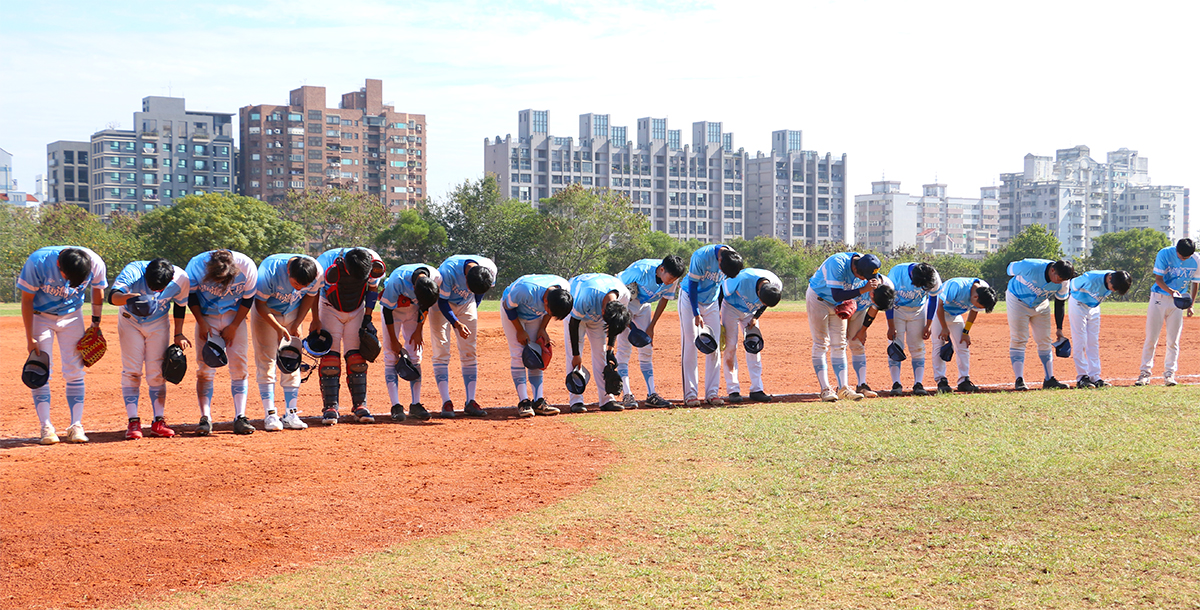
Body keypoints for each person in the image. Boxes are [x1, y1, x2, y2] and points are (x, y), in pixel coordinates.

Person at [19, 246, 107, 444]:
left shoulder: (95, 263)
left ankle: (76, 425)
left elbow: (98, 290)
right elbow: (26, 300)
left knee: (75, 370)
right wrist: (29, 338)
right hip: (40, 316)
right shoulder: (38, 262)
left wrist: (95, 324)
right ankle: (46, 427)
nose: (69, 284)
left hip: (72, 316)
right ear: (58, 264)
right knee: (40, 369)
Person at [110, 258, 190, 440]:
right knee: (132, 370)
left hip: (158, 323)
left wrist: (179, 334)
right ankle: (133, 422)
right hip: (130, 321)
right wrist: (127, 298)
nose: (155, 291)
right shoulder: (134, 271)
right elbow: (112, 296)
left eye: (159, 288)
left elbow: (180, 305)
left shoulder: (181, 279)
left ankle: (158, 421)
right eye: (152, 286)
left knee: (157, 372)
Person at [185, 249, 259, 435]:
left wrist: (234, 326)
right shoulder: (196, 265)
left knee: (240, 367)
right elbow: (191, 296)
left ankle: (240, 417)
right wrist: (201, 322)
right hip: (206, 317)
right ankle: (205, 418)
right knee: (204, 368)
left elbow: (248, 299)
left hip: (235, 317)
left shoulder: (247, 266)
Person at [314, 247, 386, 425]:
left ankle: (360, 405)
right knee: (330, 358)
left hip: (357, 309)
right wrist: (315, 319)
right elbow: (314, 292)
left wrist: (368, 318)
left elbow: (372, 289)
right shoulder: (324, 263)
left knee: (357, 358)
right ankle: (330, 407)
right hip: (329, 307)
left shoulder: (374, 261)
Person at [251, 253, 321, 431]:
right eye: (296, 284)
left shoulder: (316, 272)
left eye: (303, 286)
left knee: (292, 361)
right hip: (267, 313)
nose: (299, 288)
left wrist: (297, 323)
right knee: (267, 361)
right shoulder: (269, 271)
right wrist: (277, 327)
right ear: (289, 272)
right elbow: (260, 304)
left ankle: (291, 413)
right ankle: (270, 414)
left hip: (293, 313)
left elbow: (310, 296)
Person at [806, 252, 882, 402]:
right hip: (819, 299)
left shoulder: (867, 262)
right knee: (821, 343)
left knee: (840, 345)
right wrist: (862, 290)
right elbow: (836, 295)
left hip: (839, 303)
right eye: (863, 277)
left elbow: (875, 279)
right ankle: (825, 389)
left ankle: (843, 388)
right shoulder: (837, 263)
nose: (865, 280)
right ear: (855, 269)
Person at [431, 254, 497, 418]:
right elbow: (442, 302)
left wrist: (473, 306)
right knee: (441, 351)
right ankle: (446, 402)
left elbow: (480, 292)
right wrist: (456, 323)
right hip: (442, 304)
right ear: (466, 278)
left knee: (469, 350)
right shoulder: (448, 271)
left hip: (467, 304)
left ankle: (470, 401)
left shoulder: (489, 269)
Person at [615, 256, 685, 409]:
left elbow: (665, 299)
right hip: (625, 305)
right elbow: (616, 287)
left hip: (644, 306)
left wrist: (651, 326)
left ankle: (651, 394)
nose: (672, 281)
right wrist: (626, 322)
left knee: (646, 348)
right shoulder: (640, 270)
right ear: (661, 270)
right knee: (624, 349)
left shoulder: (672, 278)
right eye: (671, 277)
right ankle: (627, 394)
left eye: (675, 278)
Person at [679, 244, 744, 407]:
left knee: (714, 347)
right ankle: (690, 394)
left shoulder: (731, 259)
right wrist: (696, 313)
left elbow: (721, 288)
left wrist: (719, 312)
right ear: (719, 259)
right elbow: (693, 285)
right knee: (691, 343)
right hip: (690, 299)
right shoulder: (701, 257)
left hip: (711, 302)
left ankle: (712, 393)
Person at [501, 274, 573, 417]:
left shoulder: (563, 289)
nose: (548, 313)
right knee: (518, 354)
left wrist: (542, 328)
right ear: (545, 300)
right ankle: (524, 402)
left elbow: (549, 312)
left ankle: (538, 401)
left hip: (533, 317)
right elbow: (508, 307)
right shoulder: (525, 291)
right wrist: (520, 330)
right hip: (513, 314)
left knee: (536, 354)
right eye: (548, 309)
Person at [380, 263, 442, 421]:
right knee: (391, 356)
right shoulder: (397, 281)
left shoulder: (435, 277)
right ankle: (396, 405)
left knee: (415, 355)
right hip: (393, 311)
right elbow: (387, 310)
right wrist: (394, 341)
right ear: (413, 288)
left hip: (414, 312)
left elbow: (426, 305)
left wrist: (419, 329)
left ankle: (415, 404)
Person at [1136, 238, 1200, 386]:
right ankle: (1144, 374)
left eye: (1186, 257)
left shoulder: (1197, 260)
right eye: (1181, 256)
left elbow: (1195, 283)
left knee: (1173, 340)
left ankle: (1170, 374)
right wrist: (1172, 292)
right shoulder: (1164, 253)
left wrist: (1191, 303)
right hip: (1159, 298)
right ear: (1176, 249)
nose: (1182, 259)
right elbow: (1158, 279)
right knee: (1151, 338)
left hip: (1178, 302)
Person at [565, 273, 632, 413]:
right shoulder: (586, 296)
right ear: (602, 311)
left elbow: (615, 323)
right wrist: (577, 355)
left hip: (595, 309)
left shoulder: (624, 296)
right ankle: (576, 400)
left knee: (602, 355)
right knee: (573, 357)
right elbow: (574, 323)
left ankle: (607, 399)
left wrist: (610, 349)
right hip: (576, 315)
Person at [1006, 258, 1075, 390]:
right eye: (1059, 278)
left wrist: (1059, 329)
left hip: (1041, 304)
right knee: (1019, 338)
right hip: (1017, 300)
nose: (1060, 282)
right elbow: (1009, 268)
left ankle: (1049, 379)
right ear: (1052, 270)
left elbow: (1060, 302)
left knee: (1045, 339)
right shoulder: (1030, 266)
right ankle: (1019, 379)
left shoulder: (1064, 282)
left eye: (1063, 280)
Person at [718, 267, 784, 403]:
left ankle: (756, 389)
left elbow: (765, 303)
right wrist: (717, 317)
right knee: (731, 348)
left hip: (750, 313)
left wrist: (756, 316)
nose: (763, 304)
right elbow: (721, 292)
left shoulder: (776, 284)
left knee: (754, 346)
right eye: (762, 301)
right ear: (758, 292)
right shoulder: (741, 278)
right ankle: (733, 390)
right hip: (731, 308)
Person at [884, 262, 941, 396]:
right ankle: (896, 383)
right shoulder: (896, 273)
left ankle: (918, 384)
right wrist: (891, 326)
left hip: (918, 311)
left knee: (918, 346)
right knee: (895, 345)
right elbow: (888, 301)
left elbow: (933, 299)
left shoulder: (933, 276)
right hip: (897, 310)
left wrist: (928, 324)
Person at [932, 277, 997, 393]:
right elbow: (939, 305)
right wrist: (944, 328)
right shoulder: (956, 286)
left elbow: (974, 311)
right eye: (979, 305)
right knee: (938, 344)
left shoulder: (984, 289)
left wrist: (966, 332)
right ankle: (941, 380)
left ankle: (963, 380)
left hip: (955, 315)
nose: (978, 308)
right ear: (975, 297)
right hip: (938, 312)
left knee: (963, 344)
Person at [1069, 270, 1132, 388]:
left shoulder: (1116, 279)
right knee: (1080, 341)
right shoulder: (1090, 278)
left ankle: (1095, 376)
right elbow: (1072, 284)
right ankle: (1082, 377)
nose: (1113, 290)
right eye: (1114, 288)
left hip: (1093, 308)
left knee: (1093, 342)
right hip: (1078, 305)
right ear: (1109, 278)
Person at [847, 276, 896, 398]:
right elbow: (842, 300)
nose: (873, 303)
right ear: (872, 294)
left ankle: (861, 385)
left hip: (859, 311)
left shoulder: (886, 288)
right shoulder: (857, 284)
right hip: (842, 307)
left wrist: (863, 330)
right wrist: (845, 329)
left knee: (857, 344)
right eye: (874, 301)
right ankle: (842, 386)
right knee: (840, 344)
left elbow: (873, 308)